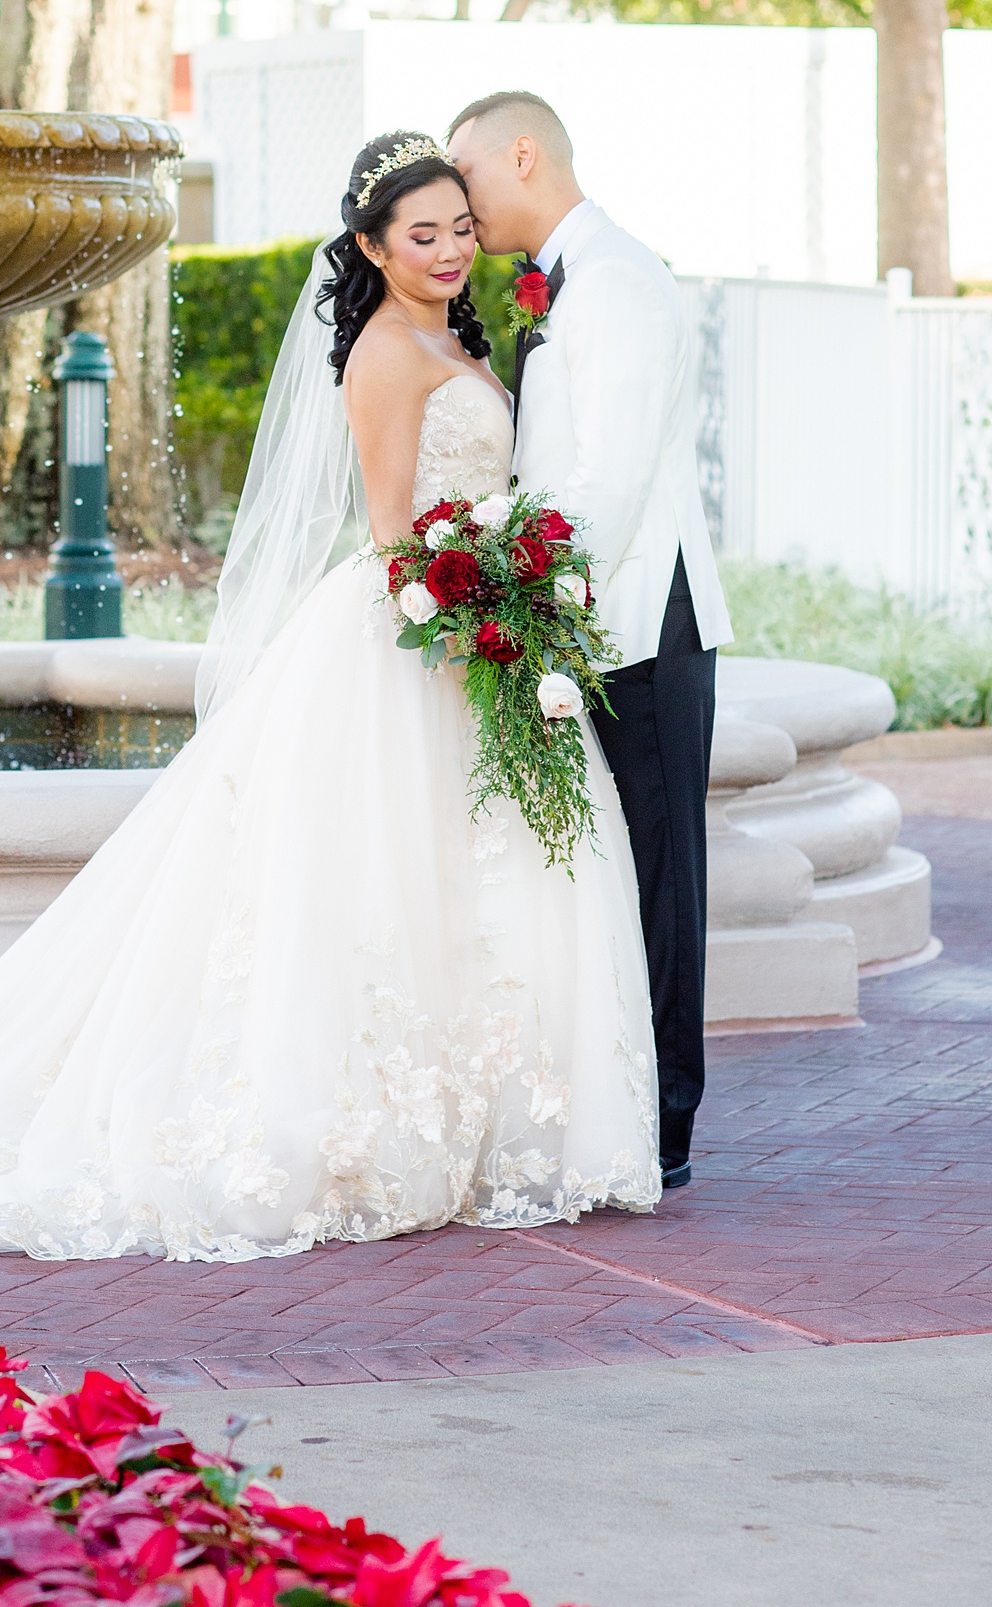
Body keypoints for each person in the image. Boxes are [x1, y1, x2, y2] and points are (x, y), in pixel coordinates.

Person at [0, 134, 660, 1261]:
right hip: (417, 630)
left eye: (462, 229)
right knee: (380, 883)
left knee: (481, 873)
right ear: (371, 245)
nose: (453, 250)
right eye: (424, 235)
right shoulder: (383, 354)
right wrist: (477, 612)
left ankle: (498, 1125)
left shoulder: (452, 335)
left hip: (477, 623)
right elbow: (389, 528)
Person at [447, 92, 731, 1191]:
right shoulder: (560, 283)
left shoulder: (616, 281)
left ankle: (663, 1120)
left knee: (662, 877)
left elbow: (604, 478)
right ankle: (614, 1099)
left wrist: (529, 603)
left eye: (467, 175)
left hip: (638, 619)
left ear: (523, 153)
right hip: (586, 617)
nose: (462, 205)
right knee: (607, 874)